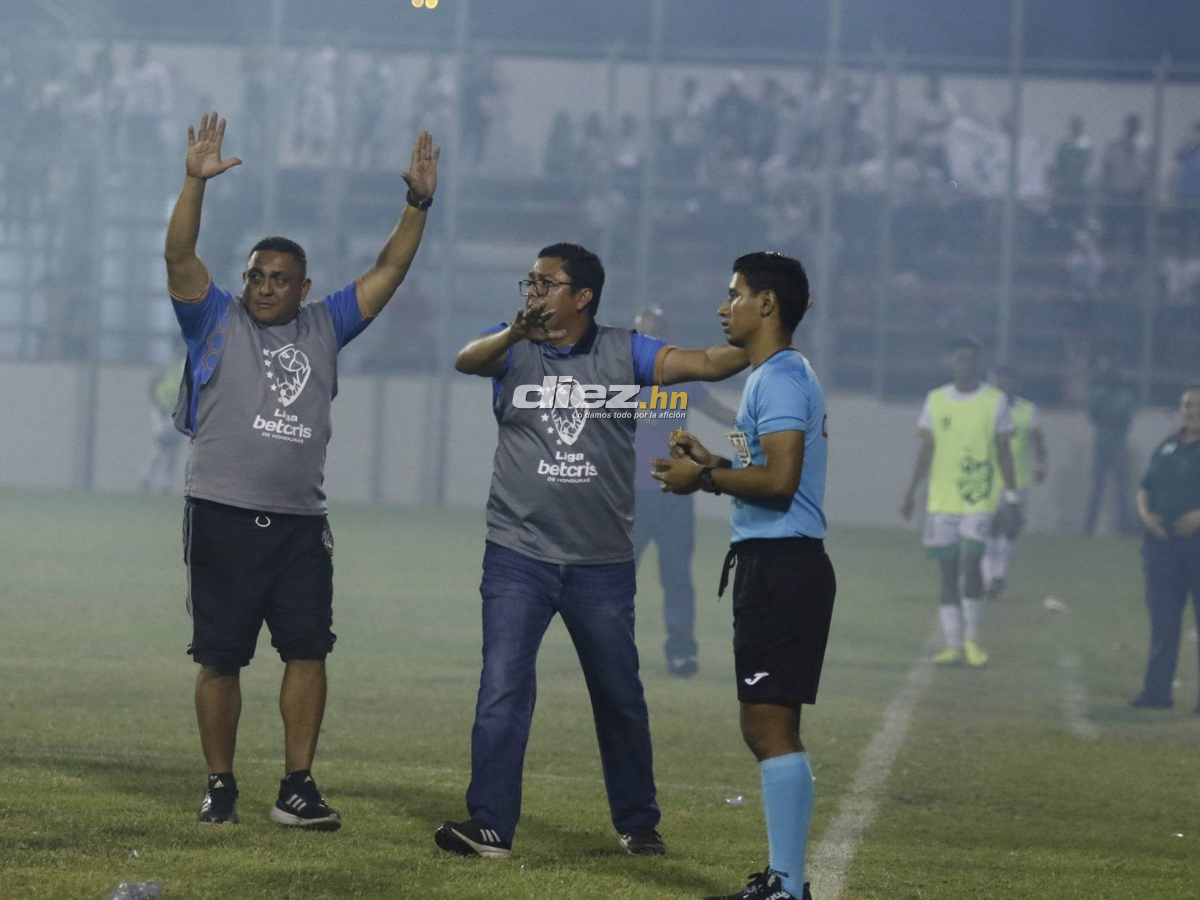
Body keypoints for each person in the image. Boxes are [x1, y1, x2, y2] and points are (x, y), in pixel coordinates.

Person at [164, 112, 438, 828]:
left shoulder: (326, 324)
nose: (264, 287)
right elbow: (179, 256)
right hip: (220, 513)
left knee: (308, 651)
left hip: (300, 523)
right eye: (256, 275)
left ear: (303, 286)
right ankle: (220, 784)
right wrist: (194, 183)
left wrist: (416, 204)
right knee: (220, 657)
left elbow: (389, 270)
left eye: (279, 279)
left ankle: (297, 785)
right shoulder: (213, 319)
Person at [437, 242, 750, 860]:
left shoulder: (624, 351)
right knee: (502, 689)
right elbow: (466, 360)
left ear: (582, 297)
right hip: (518, 555)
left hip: (601, 562)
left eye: (545, 283)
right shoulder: (511, 348)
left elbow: (708, 364)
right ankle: (490, 825)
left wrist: (767, 337)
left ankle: (638, 823)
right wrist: (512, 332)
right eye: (529, 282)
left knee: (618, 696)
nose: (532, 292)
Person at [652, 252, 832, 900]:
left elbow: (780, 482)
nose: (723, 307)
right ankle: (786, 882)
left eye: (734, 294)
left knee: (768, 728)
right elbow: (763, 467)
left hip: (782, 568)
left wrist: (703, 479)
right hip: (776, 565)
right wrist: (713, 461)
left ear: (767, 304)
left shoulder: (779, 378)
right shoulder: (774, 375)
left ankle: (787, 886)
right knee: (767, 726)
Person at [631, 308, 737, 678]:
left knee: (676, 577)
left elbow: (718, 412)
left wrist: (759, 424)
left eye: (654, 333)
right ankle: (609, 651)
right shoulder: (620, 379)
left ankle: (681, 652)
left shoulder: (682, 379)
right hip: (630, 496)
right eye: (642, 334)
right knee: (617, 579)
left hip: (673, 493)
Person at [901, 337, 1019, 667]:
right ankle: (953, 645)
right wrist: (911, 491)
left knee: (972, 565)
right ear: (949, 361)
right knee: (948, 572)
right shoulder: (936, 400)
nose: (966, 364)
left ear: (979, 363)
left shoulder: (995, 402)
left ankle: (971, 640)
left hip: (979, 499)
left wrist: (1011, 497)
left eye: (972, 359)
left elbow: (1004, 452)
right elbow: (926, 450)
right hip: (942, 502)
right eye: (960, 358)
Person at [1131, 383, 1200, 712]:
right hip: (1162, 547)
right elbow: (1145, 486)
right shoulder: (1168, 445)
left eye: (1198, 405)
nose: (1192, 410)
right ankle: (1157, 693)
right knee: (1164, 622)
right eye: (1187, 404)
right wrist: (1146, 516)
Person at [982, 366, 1047, 600]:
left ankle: (998, 576)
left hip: (1018, 480)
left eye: (1008, 382)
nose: (1004, 386)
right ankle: (990, 578)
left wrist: (1041, 464)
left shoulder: (1027, 410)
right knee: (990, 528)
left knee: (1010, 529)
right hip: (989, 479)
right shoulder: (986, 409)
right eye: (1000, 382)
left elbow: (1038, 440)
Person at [1083, 356, 1139, 536]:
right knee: (1097, 487)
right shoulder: (1099, 395)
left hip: (1117, 444)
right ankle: (1089, 527)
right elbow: (1094, 415)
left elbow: (1124, 419)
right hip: (1103, 444)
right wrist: (1110, 418)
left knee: (1121, 488)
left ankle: (1125, 527)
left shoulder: (1125, 397)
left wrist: (1108, 418)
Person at [139, 354, 187, 493]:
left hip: (176, 412)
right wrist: (158, 405)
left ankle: (166, 483)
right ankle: (146, 478)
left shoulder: (186, 365)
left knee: (173, 450)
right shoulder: (167, 364)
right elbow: (153, 384)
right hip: (162, 411)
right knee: (160, 445)